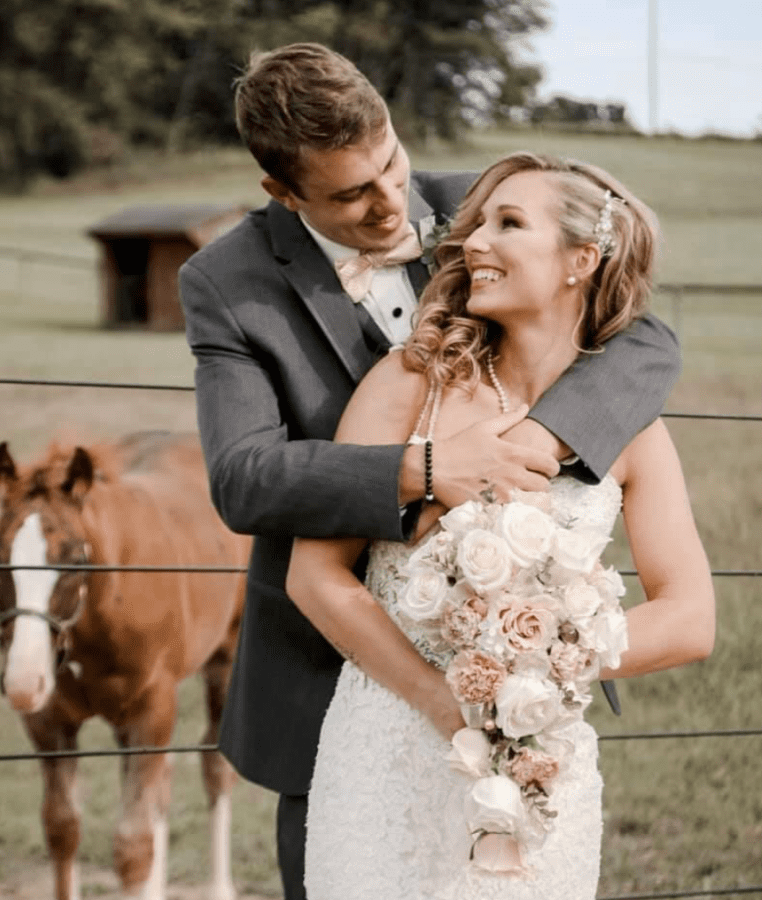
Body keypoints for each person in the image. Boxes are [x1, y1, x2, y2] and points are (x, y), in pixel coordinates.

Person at [179, 43, 681, 900]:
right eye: (349, 194)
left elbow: (644, 338)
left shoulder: (483, 210)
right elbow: (244, 477)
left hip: (515, 670)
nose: (389, 204)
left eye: (391, 164)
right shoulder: (227, 283)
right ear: (284, 193)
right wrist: (430, 469)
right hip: (327, 672)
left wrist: (536, 448)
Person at [286, 151, 715, 899]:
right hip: (384, 752)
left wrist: (549, 658)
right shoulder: (407, 386)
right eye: (476, 223)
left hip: (541, 759)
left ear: (581, 258)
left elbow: (690, 619)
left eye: (508, 224)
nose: (472, 243)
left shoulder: (633, 433)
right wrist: (436, 697)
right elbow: (315, 574)